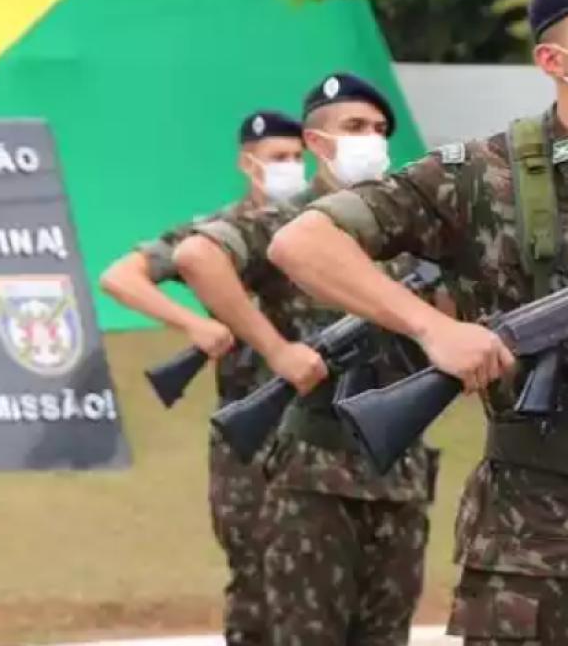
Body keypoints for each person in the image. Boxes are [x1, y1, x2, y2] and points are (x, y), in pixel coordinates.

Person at [267, 0, 568, 645]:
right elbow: (303, 242)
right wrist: (433, 329)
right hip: (542, 549)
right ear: (553, 59)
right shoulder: (480, 176)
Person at [152, 74, 440, 646]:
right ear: (316, 142)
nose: (373, 139)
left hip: (398, 477)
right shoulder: (286, 220)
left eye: (381, 129)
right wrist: (277, 349)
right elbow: (195, 255)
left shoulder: (406, 222)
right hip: (313, 473)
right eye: (355, 127)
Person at [99, 109, 305, 646]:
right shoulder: (215, 235)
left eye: (298, 158)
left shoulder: (319, 228)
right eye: (278, 158)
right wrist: (195, 324)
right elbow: (120, 277)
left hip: (316, 429)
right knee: (254, 574)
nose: (290, 168)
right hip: (250, 428)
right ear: (247, 162)